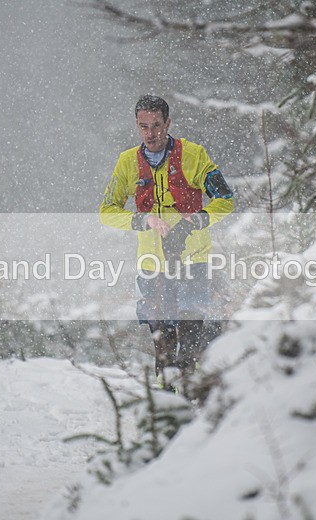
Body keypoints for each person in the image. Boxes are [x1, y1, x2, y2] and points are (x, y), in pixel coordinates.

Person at [99, 95, 234, 380]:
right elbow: (107, 211)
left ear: (168, 123)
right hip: (153, 266)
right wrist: (142, 219)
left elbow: (225, 199)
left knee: (191, 342)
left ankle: (193, 393)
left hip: (193, 262)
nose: (150, 133)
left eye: (156, 125)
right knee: (164, 347)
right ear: (137, 126)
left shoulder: (194, 155)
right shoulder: (127, 162)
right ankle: (167, 397)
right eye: (143, 126)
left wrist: (199, 218)